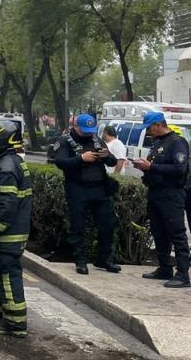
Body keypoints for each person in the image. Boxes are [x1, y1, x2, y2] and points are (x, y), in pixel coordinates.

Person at [49, 114, 120, 275]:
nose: (89, 134)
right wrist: (81, 158)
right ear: (76, 127)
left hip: (100, 189)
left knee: (108, 225)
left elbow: (113, 161)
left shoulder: (96, 140)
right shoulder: (64, 141)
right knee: (78, 227)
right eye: (85, 131)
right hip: (77, 189)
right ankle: (80, 261)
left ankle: (104, 259)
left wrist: (107, 156)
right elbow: (60, 162)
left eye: (91, 130)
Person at [0, 120, 33, 338]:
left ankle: (15, 323)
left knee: (7, 275)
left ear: (2, 142)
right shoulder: (7, 163)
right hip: (10, 231)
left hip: (8, 233)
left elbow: (6, 204)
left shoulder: (6, 167)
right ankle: (1, 312)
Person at [131, 112, 191, 288]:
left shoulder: (177, 143)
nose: (148, 132)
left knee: (176, 233)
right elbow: (155, 166)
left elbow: (179, 169)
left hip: (171, 194)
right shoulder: (157, 143)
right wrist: (144, 166)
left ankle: (183, 274)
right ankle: (165, 268)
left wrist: (152, 166)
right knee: (158, 232)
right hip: (155, 192)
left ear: (158, 125)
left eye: (149, 128)